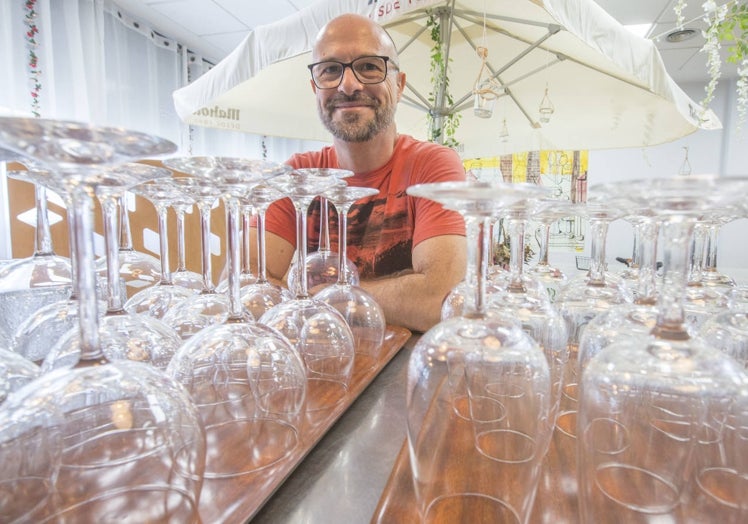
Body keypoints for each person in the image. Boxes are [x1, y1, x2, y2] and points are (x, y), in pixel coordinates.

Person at [256, 13, 466, 333]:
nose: (349, 85)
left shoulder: (432, 165)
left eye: (369, 66)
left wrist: (319, 297)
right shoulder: (298, 173)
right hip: (319, 357)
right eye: (330, 70)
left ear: (399, 84)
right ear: (315, 87)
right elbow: (249, 286)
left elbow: (439, 300)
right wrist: (398, 293)